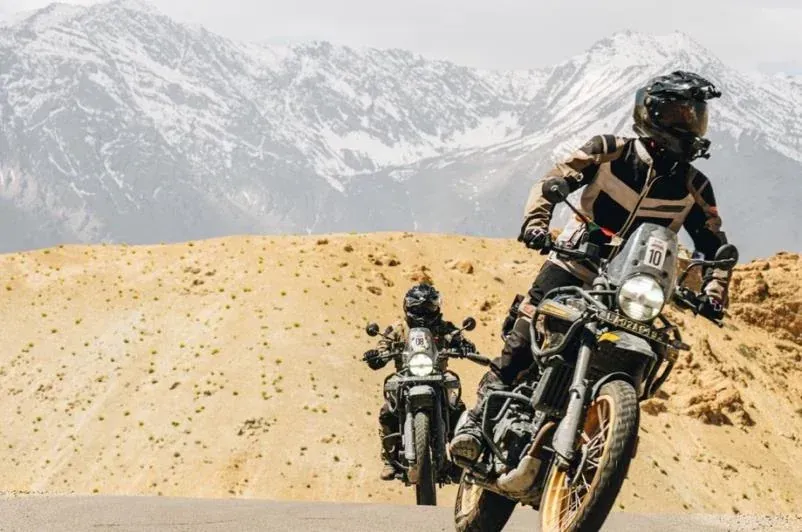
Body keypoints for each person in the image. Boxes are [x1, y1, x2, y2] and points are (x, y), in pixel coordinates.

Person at [450, 70, 733, 462]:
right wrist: (537, 223)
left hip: (632, 288)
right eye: (680, 114)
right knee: (526, 334)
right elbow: (554, 180)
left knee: (645, 353)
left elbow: (715, 247)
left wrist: (714, 292)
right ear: (651, 112)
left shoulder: (695, 187)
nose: (691, 125)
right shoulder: (608, 150)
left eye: (696, 116)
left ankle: (604, 437)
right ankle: (476, 418)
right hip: (574, 263)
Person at [363, 283, 476, 480]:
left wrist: (464, 345)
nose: (423, 313)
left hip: (437, 375)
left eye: (428, 308)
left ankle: (459, 457)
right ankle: (389, 459)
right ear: (408, 307)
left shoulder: (444, 327)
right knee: (387, 411)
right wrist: (376, 356)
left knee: (457, 407)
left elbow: (459, 337)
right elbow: (383, 345)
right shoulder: (398, 328)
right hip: (405, 376)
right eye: (418, 308)